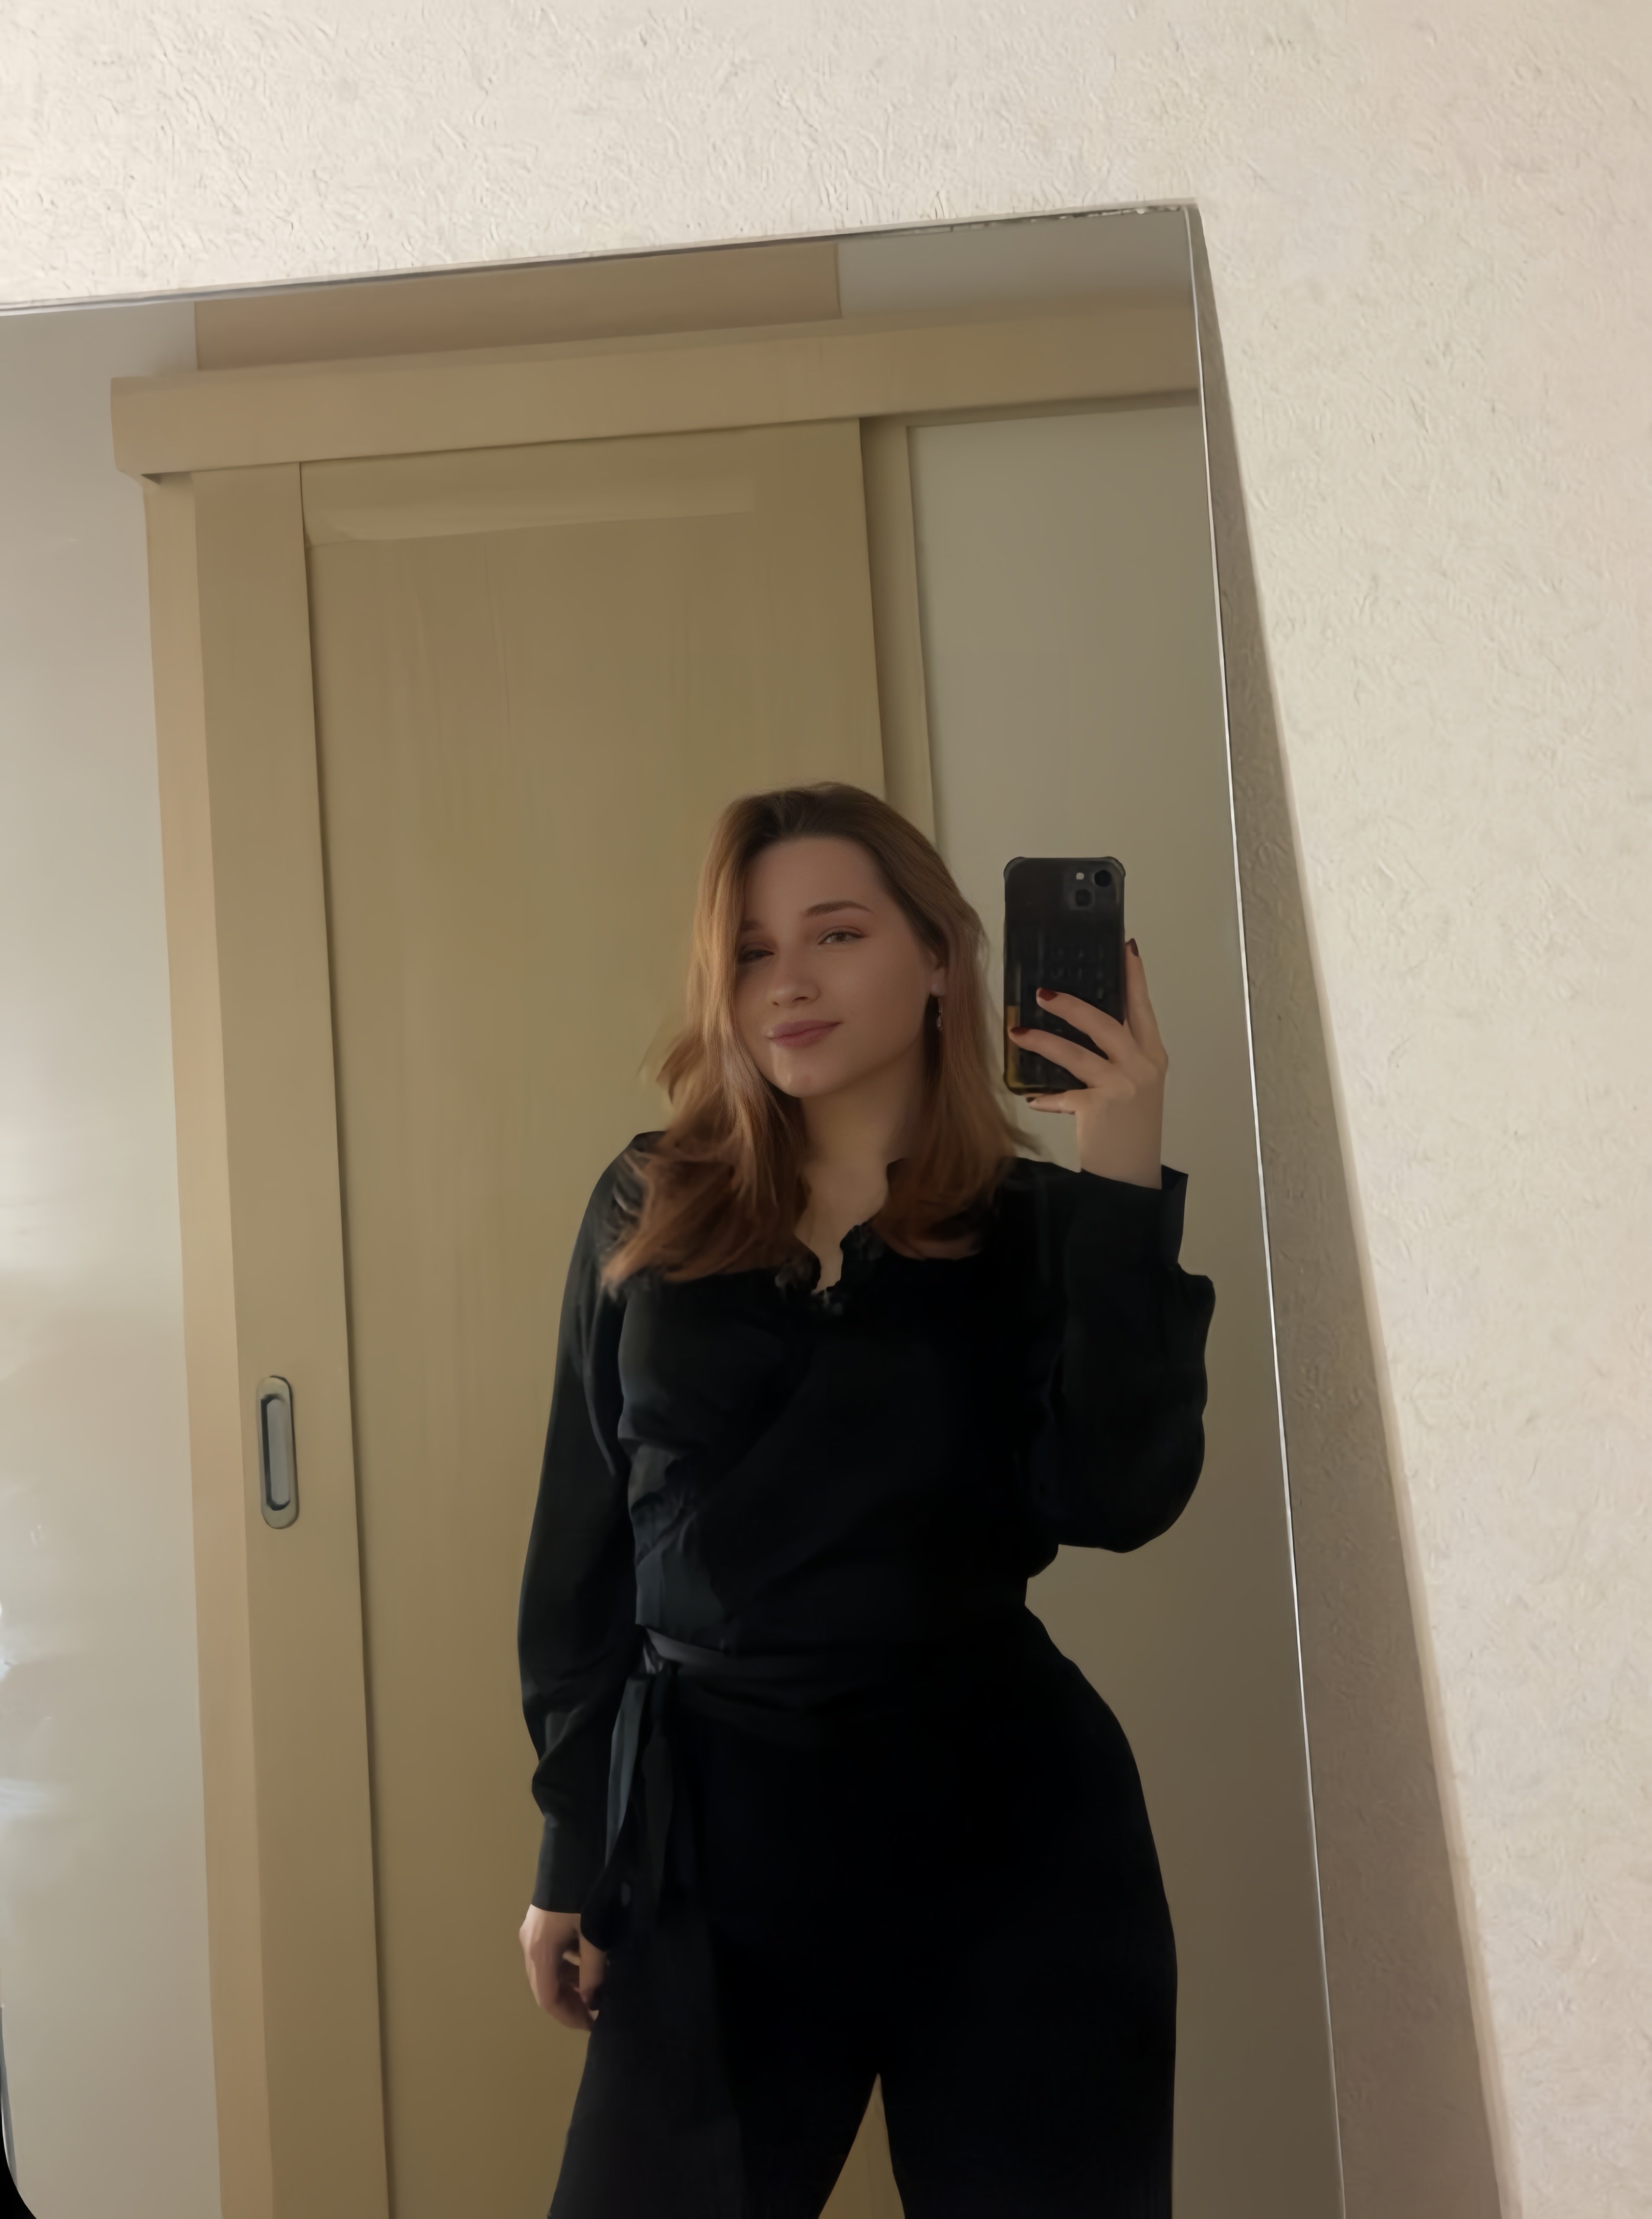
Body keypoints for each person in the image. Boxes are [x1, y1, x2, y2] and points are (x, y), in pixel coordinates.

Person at [517, 781, 1216, 2219]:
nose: (787, 982)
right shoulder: (648, 1205)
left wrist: (1120, 1169)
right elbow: (580, 1553)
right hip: (716, 1846)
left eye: (835, 934)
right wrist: (573, 1845)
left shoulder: (1037, 1230)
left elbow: (1119, 1496)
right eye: (751, 951)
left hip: (1011, 1846)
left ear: (941, 955)